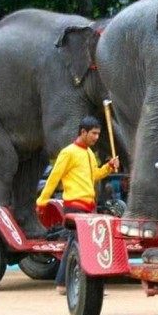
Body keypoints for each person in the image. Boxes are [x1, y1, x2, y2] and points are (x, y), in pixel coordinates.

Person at [36, 116, 119, 294]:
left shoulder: (89, 153)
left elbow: (93, 175)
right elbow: (54, 178)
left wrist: (108, 167)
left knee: (80, 244)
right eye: (94, 134)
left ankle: (65, 283)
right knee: (80, 244)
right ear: (83, 132)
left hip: (89, 205)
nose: (96, 137)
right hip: (75, 206)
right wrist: (42, 201)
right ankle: (70, 284)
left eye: (98, 134)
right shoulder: (68, 152)